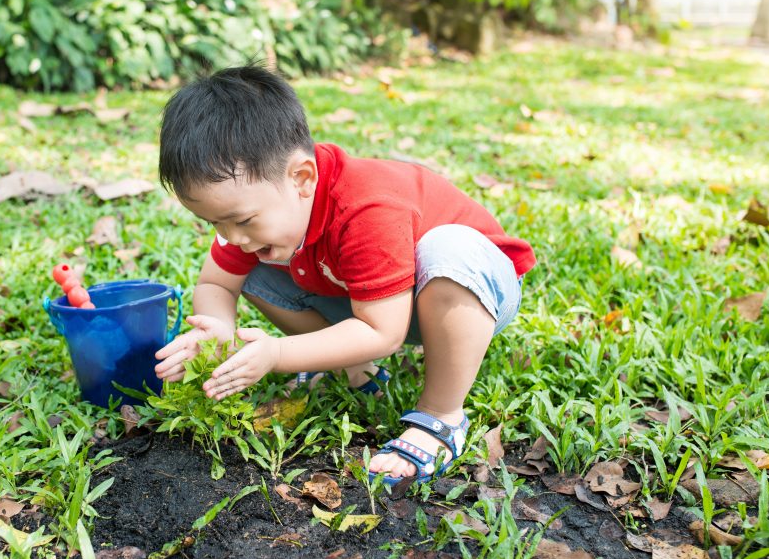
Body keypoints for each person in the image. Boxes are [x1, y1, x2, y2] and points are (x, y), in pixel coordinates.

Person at [154, 64, 535, 486]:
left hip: (471, 293)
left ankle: (440, 416)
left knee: (447, 250)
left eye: (241, 220)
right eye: (214, 224)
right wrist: (220, 331)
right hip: (382, 300)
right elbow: (215, 284)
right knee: (254, 272)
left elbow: (384, 332)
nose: (231, 237)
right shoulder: (258, 219)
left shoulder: (366, 207)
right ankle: (356, 368)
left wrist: (278, 355)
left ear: (302, 178)